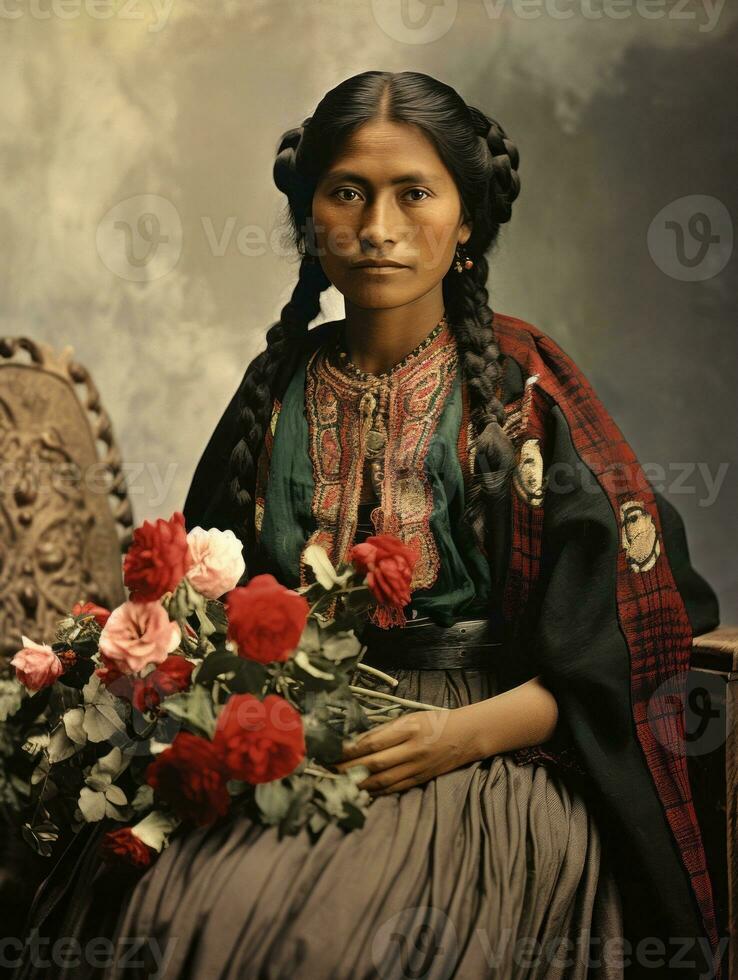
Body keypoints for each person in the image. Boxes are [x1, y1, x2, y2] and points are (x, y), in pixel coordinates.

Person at [11, 70, 725, 980]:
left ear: (466, 218)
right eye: (347, 192)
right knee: (194, 913)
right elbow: (201, 611)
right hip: (293, 742)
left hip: (486, 756)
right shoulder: (276, 392)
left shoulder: (524, 393)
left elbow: (632, 635)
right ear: (312, 216)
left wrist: (462, 735)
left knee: (341, 943)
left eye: (413, 193)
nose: (378, 227)